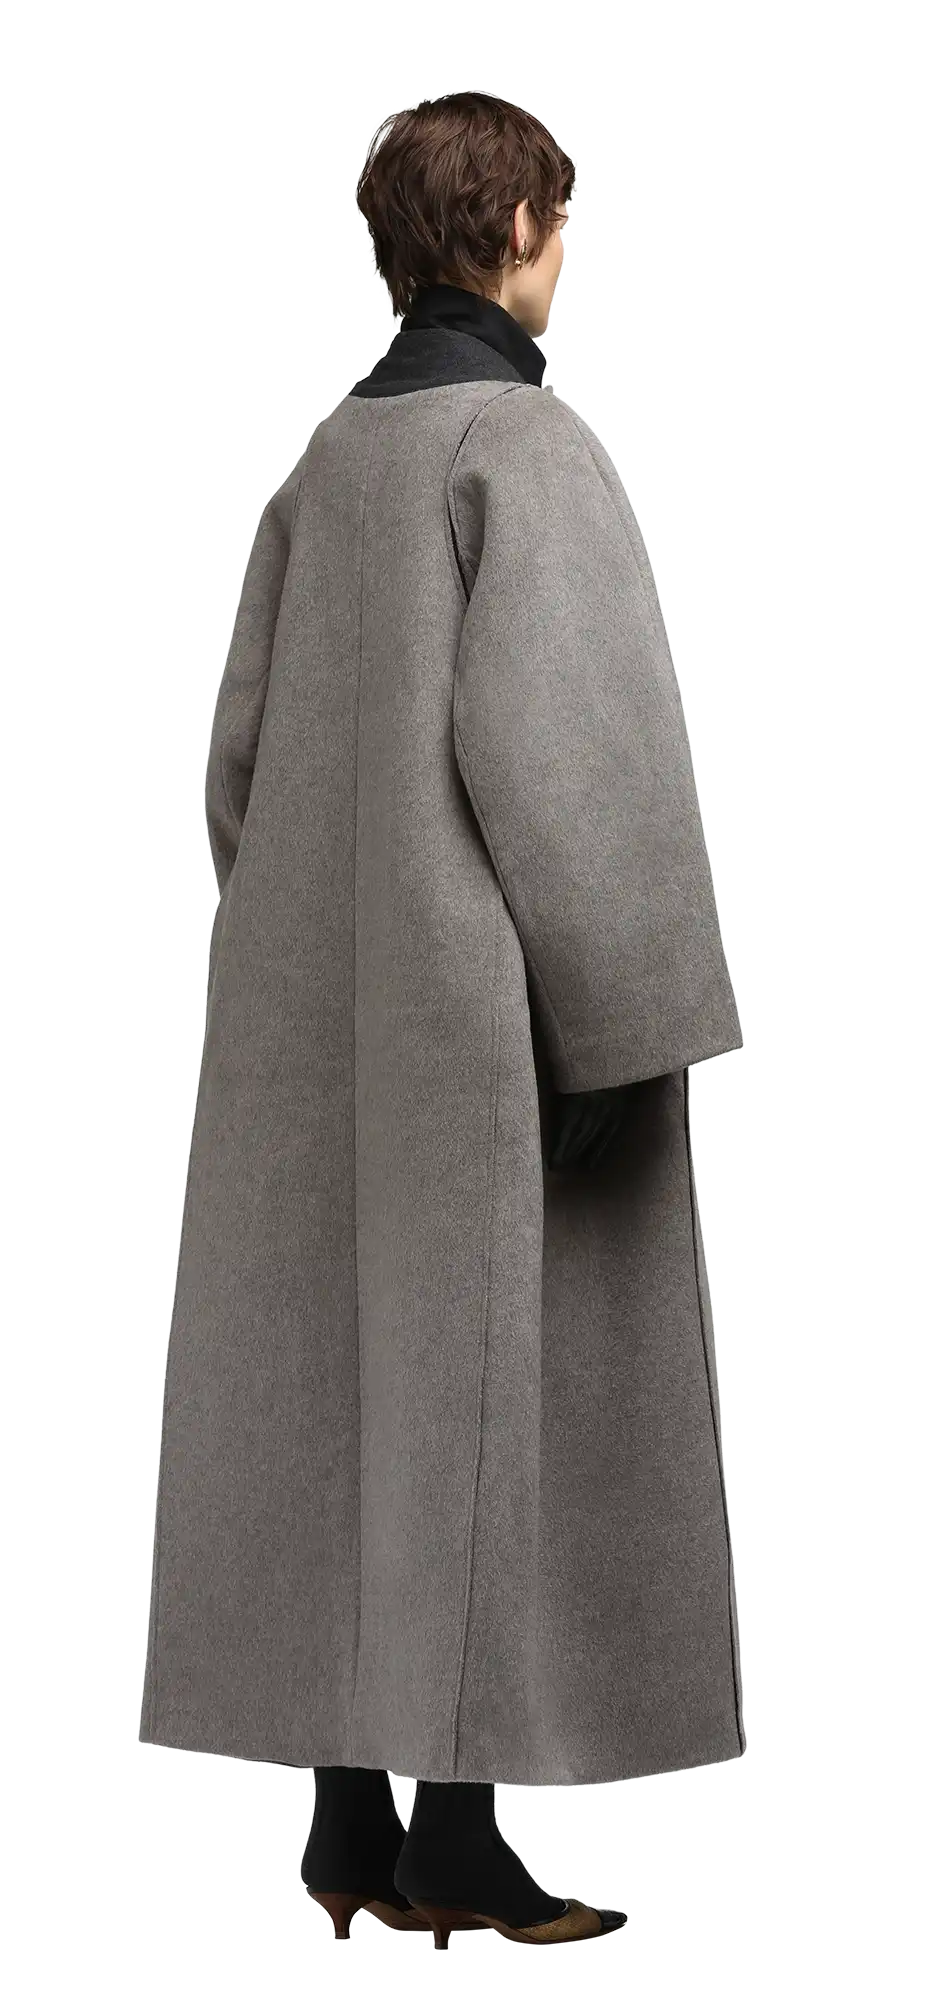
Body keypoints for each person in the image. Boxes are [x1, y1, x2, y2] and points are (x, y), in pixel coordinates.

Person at [138, 89, 745, 1952]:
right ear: (514, 229)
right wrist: (629, 1015)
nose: (565, 255)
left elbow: (235, 771)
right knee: (483, 1406)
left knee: (343, 1395)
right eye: (558, 221)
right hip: (484, 1020)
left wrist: (313, 954)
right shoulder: (518, 447)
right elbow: (576, 756)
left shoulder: (325, 463)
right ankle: (459, 1845)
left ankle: (346, 1822)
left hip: (314, 1025)